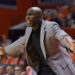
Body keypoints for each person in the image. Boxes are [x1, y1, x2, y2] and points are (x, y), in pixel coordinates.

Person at [0, 7, 75, 75]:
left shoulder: (51, 26)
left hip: (57, 66)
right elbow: (21, 41)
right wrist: (5, 50)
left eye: (31, 15)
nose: (28, 17)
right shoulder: (29, 30)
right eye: (27, 15)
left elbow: (62, 36)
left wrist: (69, 43)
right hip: (41, 68)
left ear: (39, 17)